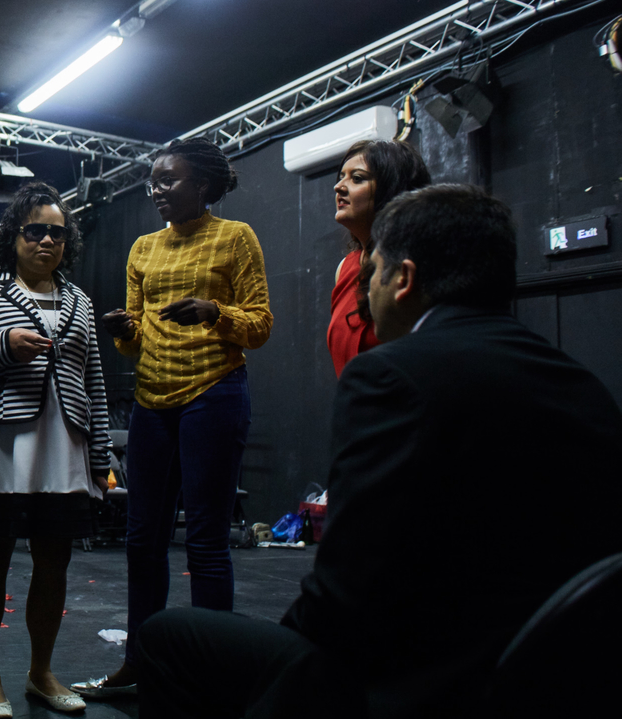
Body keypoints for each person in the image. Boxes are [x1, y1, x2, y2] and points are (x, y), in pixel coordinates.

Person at [135, 184, 622, 719]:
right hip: (552, 678)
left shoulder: (391, 375)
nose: (364, 295)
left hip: (421, 682)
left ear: (404, 279)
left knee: (169, 636)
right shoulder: (582, 385)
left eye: (373, 276)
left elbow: (340, 598)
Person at [74, 137, 273, 699]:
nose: (157, 190)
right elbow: (137, 346)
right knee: (142, 541)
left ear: (203, 187)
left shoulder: (236, 238)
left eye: (169, 180)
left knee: (207, 541)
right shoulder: (142, 248)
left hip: (214, 394)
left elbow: (259, 324)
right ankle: (142, 664)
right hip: (152, 403)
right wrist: (122, 332)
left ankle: (213, 675)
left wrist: (216, 312)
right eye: (153, 181)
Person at [0, 182, 112, 717]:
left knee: (54, 560)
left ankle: (41, 671)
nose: (46, 241)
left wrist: (100, 455)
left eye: (57, 233)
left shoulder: (80, 301)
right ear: (13, 237)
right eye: (35, 230)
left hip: (64, 444)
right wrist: (2, 346)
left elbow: (94, 380)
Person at [328, 138, 430, 375]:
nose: (339, 187)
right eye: (341, 176)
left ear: (391, 190)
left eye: (357, 178)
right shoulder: (345, 268)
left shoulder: (414, 265)